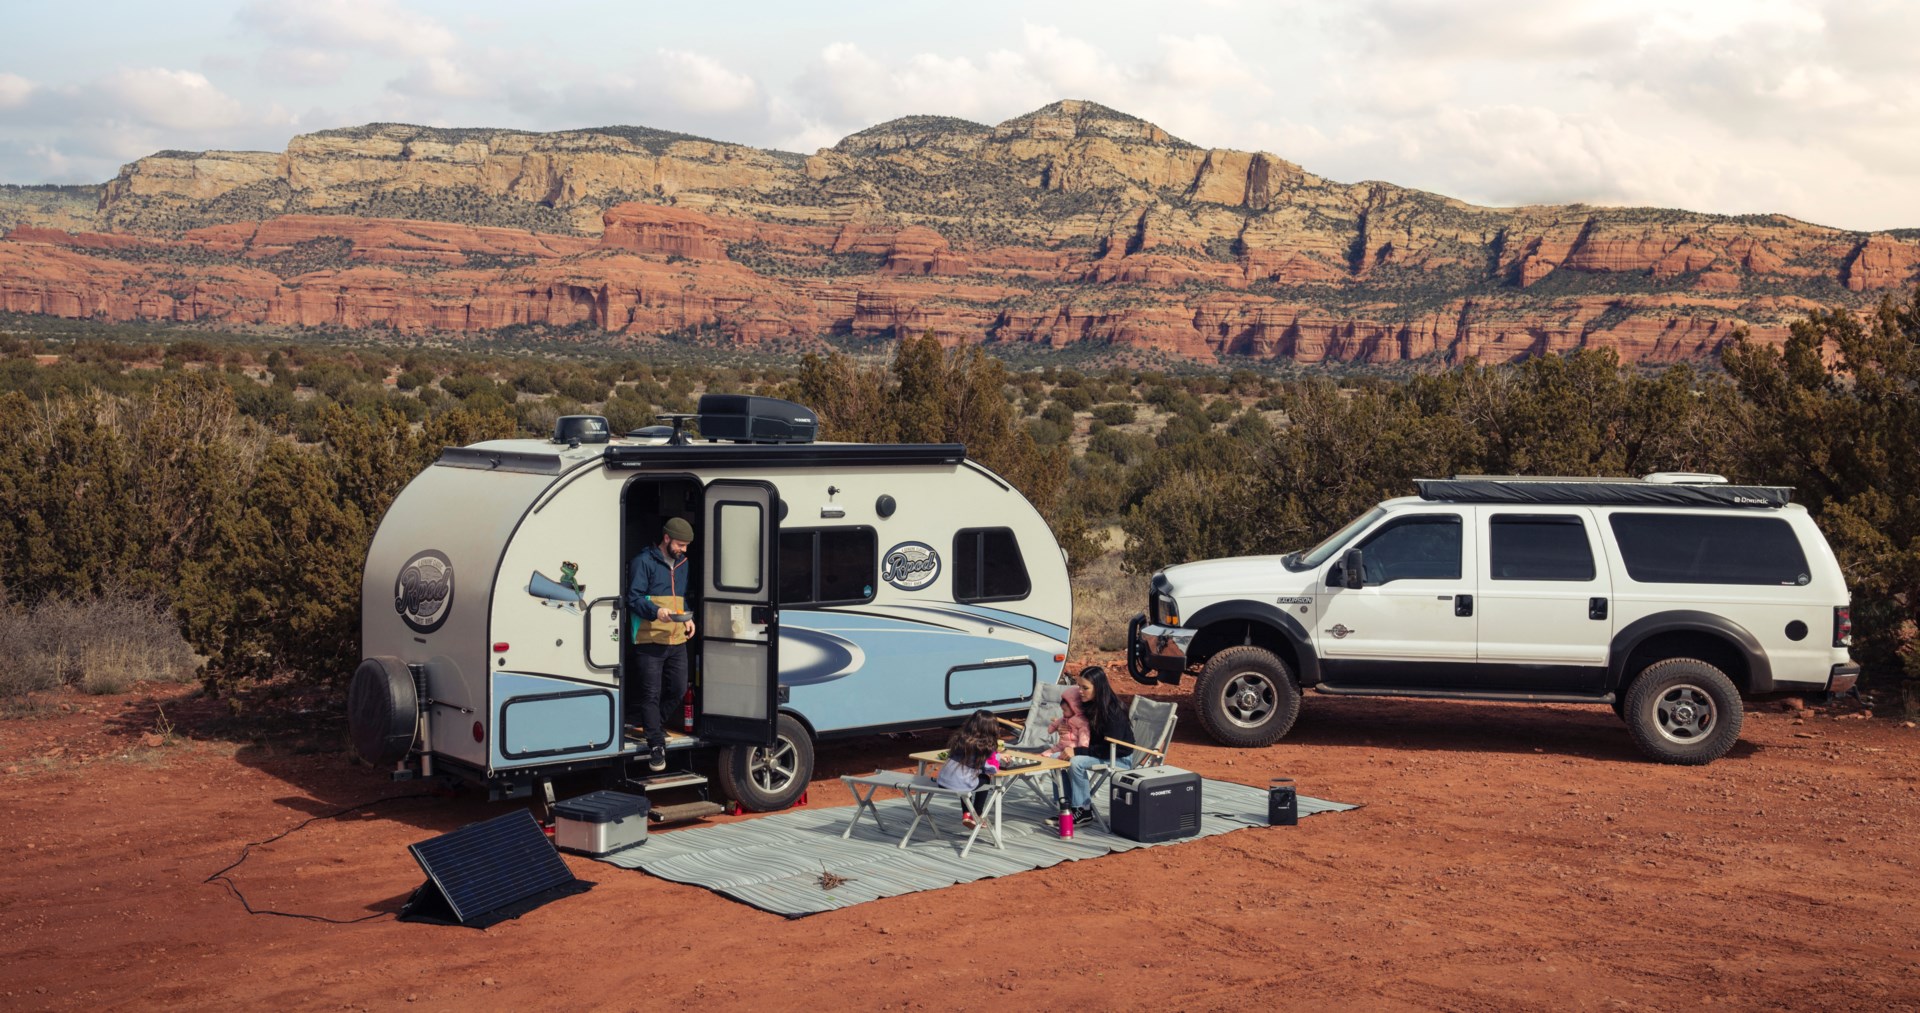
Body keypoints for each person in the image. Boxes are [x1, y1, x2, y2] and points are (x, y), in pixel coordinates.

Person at [627, 516, 697, 772]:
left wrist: (689, 618)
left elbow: (680, 599)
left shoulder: (683, 563)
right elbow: (632, 599)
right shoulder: (642, 562)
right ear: (666, 538)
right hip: (649, 639)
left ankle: (650, 723)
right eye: (680, 544)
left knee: (678, 690)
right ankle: (656, 744)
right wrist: (656, 611)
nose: (683, 550)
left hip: (676, 639)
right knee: (651, 694)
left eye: (686, 546)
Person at [1050, 665, 1133, 828]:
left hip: (1117, 757)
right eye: (1079, 686)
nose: (1080, 691)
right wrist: (1064, 728)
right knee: (1055, 759)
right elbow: (1077, 726)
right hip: (1098, 752)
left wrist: (1076, 751)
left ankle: (1083, 811)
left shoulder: (1113, 712)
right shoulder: (1088, 705)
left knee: (1076, 762)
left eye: (1085, 688)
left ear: (1099, 688)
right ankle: (1066, 809)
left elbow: (1107, 749)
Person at [935, 709, 1001, 829]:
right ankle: (977, 814)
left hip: (943, 780)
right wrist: (998, 757)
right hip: (960, 784)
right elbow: (991, 769)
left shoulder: (959, 738)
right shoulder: (986, 745)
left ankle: (967, 813)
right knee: (984, 779)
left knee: (965, 779)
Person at [1040, 684, 1090, 760]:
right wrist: (1053, 727)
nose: (1063, 713)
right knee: (1047, 752)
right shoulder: (1065, 718)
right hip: (1061, 745)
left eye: (1065, 710)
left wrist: (1082, 749)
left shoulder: (1081, 722)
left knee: (1056, 756)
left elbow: (1084, 737)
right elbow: (1057, 723)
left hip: (1072, 747)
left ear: (1074, 709)